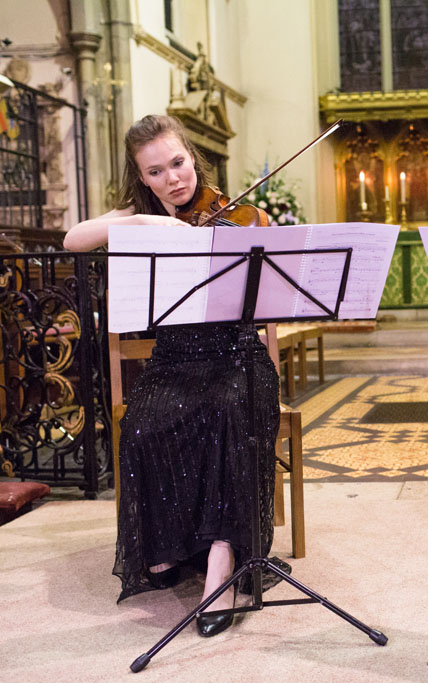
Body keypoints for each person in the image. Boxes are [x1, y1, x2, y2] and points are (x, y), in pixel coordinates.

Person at [64, 114, 281, 637]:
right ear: (141, 176)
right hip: (174, 361)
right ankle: (173, 545)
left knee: (229, 414)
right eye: (156, 171)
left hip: (236, 356)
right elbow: (73, 238)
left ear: (192, 158)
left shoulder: (235, 216)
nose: (173, 179)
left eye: (178, 163)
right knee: (141, 426)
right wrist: (144, 223)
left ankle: (221, 567)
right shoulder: (137, 215)